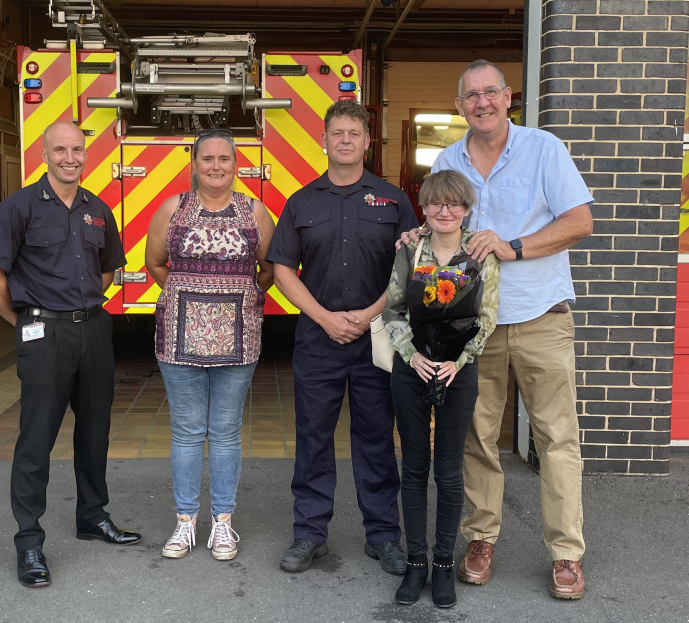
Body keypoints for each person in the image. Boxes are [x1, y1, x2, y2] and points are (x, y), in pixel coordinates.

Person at [417, 59, 593, 600]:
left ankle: (566, 554)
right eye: (472, 96)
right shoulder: (449, 159)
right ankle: (481, 538)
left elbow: (580, 221)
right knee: (477, 436)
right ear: (459, 104)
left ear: (508, 96)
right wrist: (416, 243)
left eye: (491, 92)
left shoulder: (544, 148)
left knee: (556, 438)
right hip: (476, 326)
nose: (483, 103)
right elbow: (441, 228)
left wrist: (511, 247)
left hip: (541, 314)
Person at [0, 120, 142, 589]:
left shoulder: (97, 209)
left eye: (77, 150)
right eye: (60, 150)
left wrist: (80, 307)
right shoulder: (18, 208)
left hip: (93, 331)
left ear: (86, 155)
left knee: (94, 434)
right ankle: (28, 540)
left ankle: (93, 516)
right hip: (43, 332)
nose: (70, 158)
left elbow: (108, 270)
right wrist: (25, 323)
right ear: (44, 153)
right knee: (37, 440)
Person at [267, 100, 418, 576]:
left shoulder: (395, 202)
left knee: (375, 438)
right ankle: (309, 534)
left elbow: (410, 267)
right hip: (317, 338)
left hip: (376, 338)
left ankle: (383, 536)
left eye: (355, 132)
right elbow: (282, 269)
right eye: (338, 133)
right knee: (313, 438)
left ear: (367, 141)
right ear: (325, 140)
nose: (346, 140)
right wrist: (324, 317)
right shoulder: (302, 202)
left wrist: (367, 314)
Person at [145, 128, 275, 562]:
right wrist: (187, 292)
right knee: (185, 432)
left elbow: (270, 270)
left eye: (224, 159)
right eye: (207, 159)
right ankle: (185, 522)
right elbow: (154, 263)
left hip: (238, 342)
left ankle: (223, 523)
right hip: (179, 340)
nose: (216, 166)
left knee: (224, 433)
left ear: (236, 164)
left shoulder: (255, 212)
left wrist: (239, 298)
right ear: (194, 164)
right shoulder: (172, 209)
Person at [383, 170, 499, 608]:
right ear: (425, 209)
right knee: (413, 468)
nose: (445, 211)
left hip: (457, 369)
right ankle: (416, 563)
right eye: (436, 204)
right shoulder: (410, 250)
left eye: (453, 204)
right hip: (412, 365)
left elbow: (487, 317)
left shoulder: (480, 253)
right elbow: (393, 305)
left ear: (466, 208)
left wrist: (459, 361)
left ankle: (444, 564)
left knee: (449, 472)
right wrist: (411, 354)